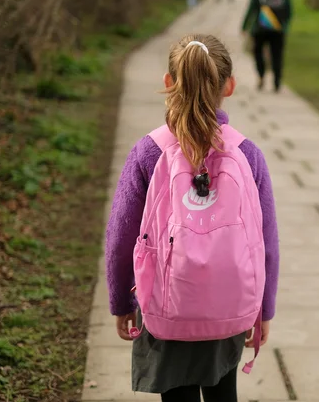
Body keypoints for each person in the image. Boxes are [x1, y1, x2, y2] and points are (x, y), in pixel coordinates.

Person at [105, 34, 280, 402]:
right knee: (222, 392)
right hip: (229, 302)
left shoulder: (149, 151)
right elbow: (266, 242)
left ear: (169, 83)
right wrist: (263, 308)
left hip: (167, 301)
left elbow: (121, 235)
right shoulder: (247, 153)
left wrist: (121, 301)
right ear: (228, 87)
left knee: (176, 395)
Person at [241, 0, 293, 92]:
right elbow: (289, 11)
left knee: (258, 53)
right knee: (277, 55)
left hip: (260, 29)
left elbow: (251, 9)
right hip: (278, 30)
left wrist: (244, 26)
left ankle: (261, 76)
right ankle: (276, 81)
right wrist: (285, 26)